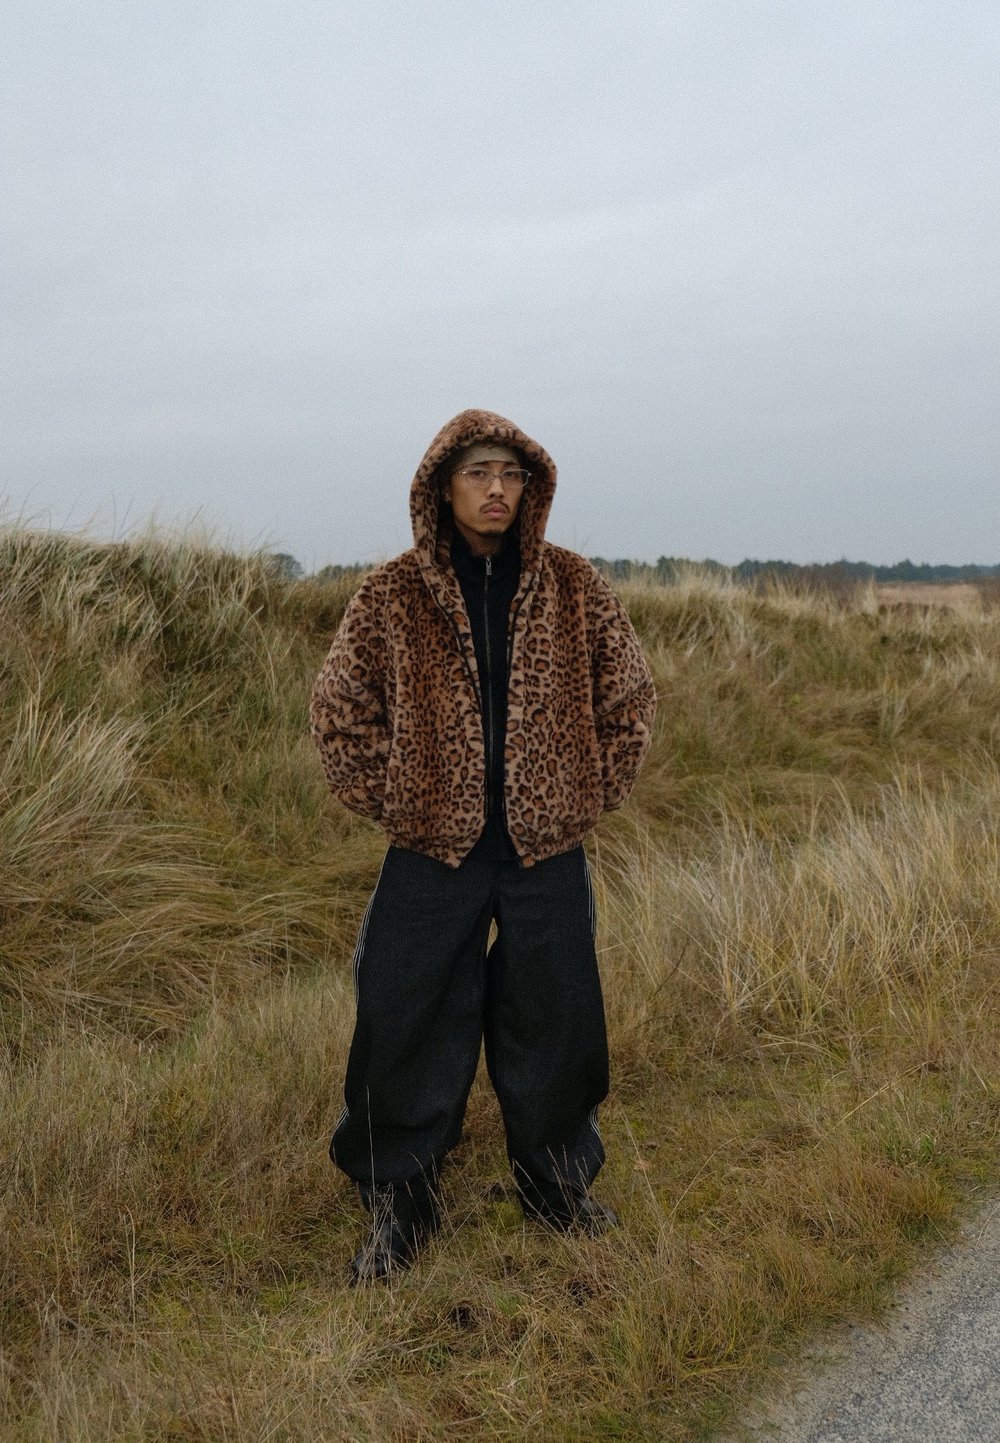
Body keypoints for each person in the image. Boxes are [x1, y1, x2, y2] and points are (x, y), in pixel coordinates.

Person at [310, 409, 656, 1282]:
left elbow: (631, 696)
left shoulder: (573, 586)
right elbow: (339, 710)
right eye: (478, 473)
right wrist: (401, 801)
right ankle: (401, 1199)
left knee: (558, 1015)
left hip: (544, 849)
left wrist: (584, 791)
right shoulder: (392, 593)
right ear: (443, 485)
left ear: (529, 486)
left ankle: (555, 1184)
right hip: (433, 848)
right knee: (402, 1013)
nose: (496, 487)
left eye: (510, 472)